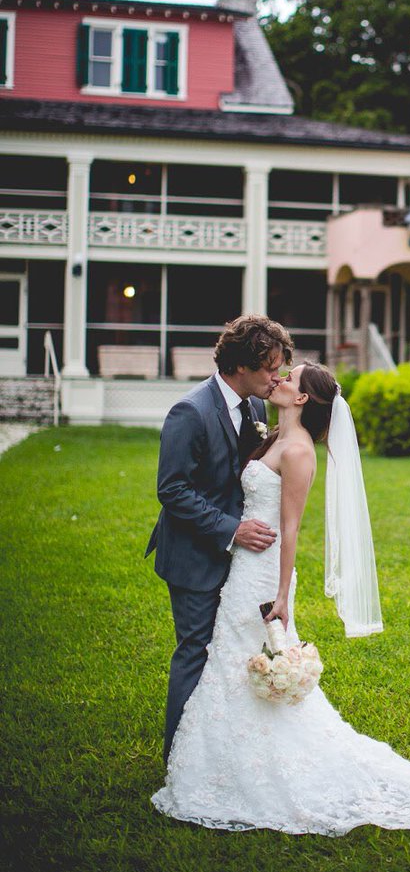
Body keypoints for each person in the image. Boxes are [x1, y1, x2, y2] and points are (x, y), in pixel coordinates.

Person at [152, 362, 410, 834]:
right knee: (226, 660)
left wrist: (283, 593)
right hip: (240, 562)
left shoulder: (300, 451)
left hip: (263, 573)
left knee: (243, 657)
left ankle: (251, 765)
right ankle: (211, 757)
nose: (280, 377)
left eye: (290, 376)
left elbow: (291, 529)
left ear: (302, 399)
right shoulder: (269, 435)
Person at [145, 313, 294, 764]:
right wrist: (232, 530)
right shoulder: (189, 411)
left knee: (230, 654)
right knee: (196, 651)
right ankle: (178, 760)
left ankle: (219, 752)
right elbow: (171, 489)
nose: (277, 376)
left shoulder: (257, 407)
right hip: (192, 555)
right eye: (270, 367)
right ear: (241, 366)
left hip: (240, 561)